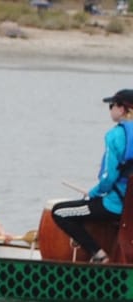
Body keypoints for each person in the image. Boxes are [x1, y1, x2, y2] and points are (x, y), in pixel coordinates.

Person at [48, 88, 130, 263]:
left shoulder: (115, 135)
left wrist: (93, 193)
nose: (110, 110)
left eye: (111, 106)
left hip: (116, 207)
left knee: (60, 212)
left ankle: (99, 255)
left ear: (122, 109)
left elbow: (108, 178)